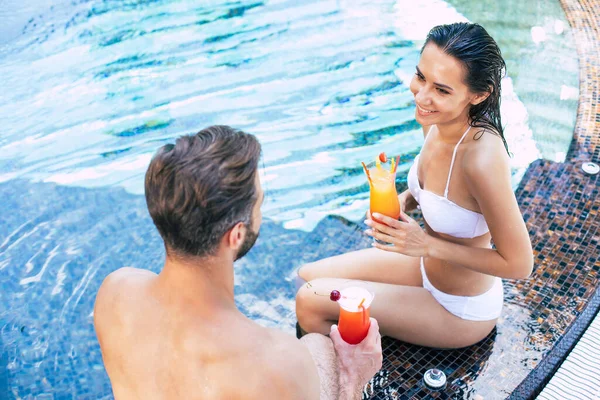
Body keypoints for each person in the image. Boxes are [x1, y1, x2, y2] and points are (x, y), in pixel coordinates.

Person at [93, 125, 382, 400]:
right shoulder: (274, 364)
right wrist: (354, 378)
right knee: (321, 350)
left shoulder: (115, 291)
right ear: (237, 234)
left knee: (316, 347)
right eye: (259, 205)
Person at [295, 22, 533, 349]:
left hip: (457, 307)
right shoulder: (436, 122)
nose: (422, 96)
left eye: (442, 89)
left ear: (478, 95)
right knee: (308, 275)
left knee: (310, 301)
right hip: (423, 268)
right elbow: (440, 197)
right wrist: (405, 200)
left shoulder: (480, 161)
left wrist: (427, 245)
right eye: (421, 77)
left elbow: (519, 264)